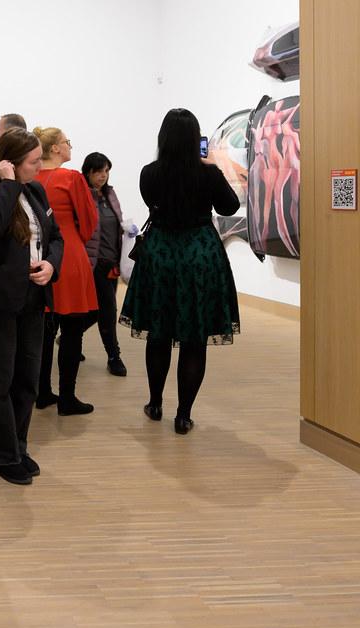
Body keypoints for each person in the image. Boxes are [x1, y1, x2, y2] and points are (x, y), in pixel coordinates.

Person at [120, 109, 241, 434]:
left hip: (160, 254)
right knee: (194, 339)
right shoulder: (208, 174)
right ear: (193, 139)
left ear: (163, 138)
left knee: (158, 333)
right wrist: (213, 172)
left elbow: (152, 203)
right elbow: (229, 206)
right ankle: (183, 416)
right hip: (199, 254)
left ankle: (155, 403)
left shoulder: (149, 173)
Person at [0, 128, 64, 485]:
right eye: (33, 162)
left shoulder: (36, 191)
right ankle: (0, 455)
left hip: (33, 297)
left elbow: (55, 236)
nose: (40, 167)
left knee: (27, 378)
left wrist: (51, 264)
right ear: (9, 163)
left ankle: (17, 447)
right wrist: (9, 185)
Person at [32, 126, 99, 415]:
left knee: (45, 330)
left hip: (39, 256)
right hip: (69, 255)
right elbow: (89, 220)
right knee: (72, 330)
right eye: (66, 142)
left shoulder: (32, 177)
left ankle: (42, 392)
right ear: (55, 148)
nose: (70, 146)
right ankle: (68, 398)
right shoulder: (71, 178)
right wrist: (74, 238)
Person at [82, 152, 127, 377]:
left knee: (94, 310)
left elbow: (117, 223)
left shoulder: (110, 194)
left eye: (106, 171)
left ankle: (71, 334)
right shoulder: (82, 195)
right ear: (88, 172)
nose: (103, 175)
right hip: (93, 262)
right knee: (108, 310)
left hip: (112, 262)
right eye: (98, 171)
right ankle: (114, 357)